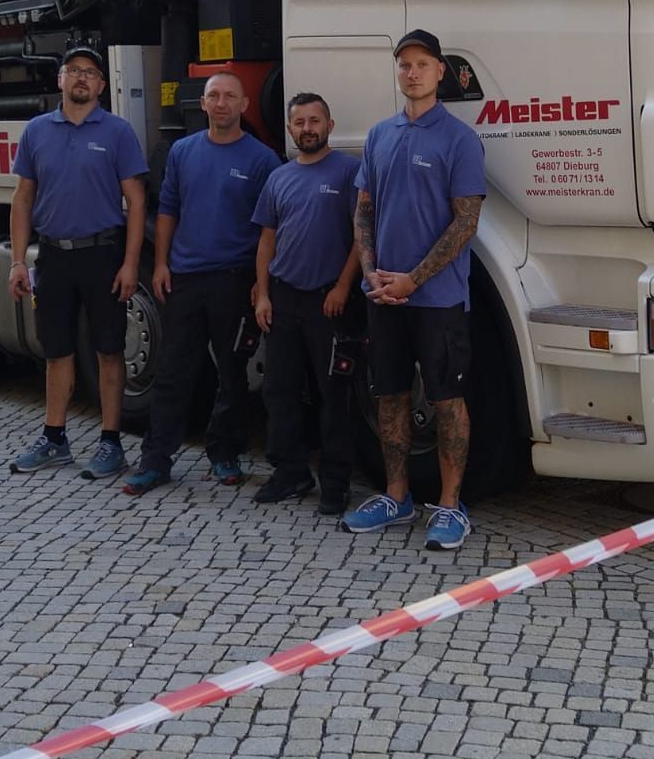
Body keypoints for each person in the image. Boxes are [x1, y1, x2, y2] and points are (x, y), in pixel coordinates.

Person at [344, 29, 486, 551]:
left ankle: (450, 505)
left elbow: (464, 223)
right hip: (384, 294)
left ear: (440, 72)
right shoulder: (381, 135)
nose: (412, 72)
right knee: (390, 396)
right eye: (404, 64)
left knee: (447, 399)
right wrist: (372, 271)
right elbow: (364, 208)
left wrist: (413, 279)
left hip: (438, 299)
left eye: (422, 64)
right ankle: (395, 496)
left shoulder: (459, 139)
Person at [123, 71, 279, 494]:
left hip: (235, 279)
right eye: (214, 96)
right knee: (174, 371)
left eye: (230, 96)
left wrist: (259, 283)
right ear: (204, 104)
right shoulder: (183, 152)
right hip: (186, 278)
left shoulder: (263, 160)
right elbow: (168, 208)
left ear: (245, 105)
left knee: (233, 373)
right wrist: (161, 264)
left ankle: (224, 453)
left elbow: (270, 228)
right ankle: (156, 460)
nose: (222, 103)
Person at [8, 45, 148, 478]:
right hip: (53, 256)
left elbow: (137, 202)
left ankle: (111, 443)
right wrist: (17, 261)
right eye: (74, 71)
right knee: (57, 352)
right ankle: (55, 438)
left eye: (90, 73)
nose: (82, 79)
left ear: (102, 85)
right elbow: (23, 198)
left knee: (109, 350)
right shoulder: (36, 131)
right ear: (61, 80)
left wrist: (130, 265)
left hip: (103, 254)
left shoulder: (118, 132)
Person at [251, 92, 362, 518]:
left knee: (333, 394)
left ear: (329, 126)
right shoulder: (279, 178)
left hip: (328, 302)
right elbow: (267, 241)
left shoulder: (350, 172)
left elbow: (360, 236)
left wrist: (342, 286)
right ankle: (290, 473)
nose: (307, 129)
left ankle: (335, 484)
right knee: (279, 391)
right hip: (283, 299)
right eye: (299, 122)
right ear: (291, 128)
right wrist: (262, 293)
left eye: (315, 120)